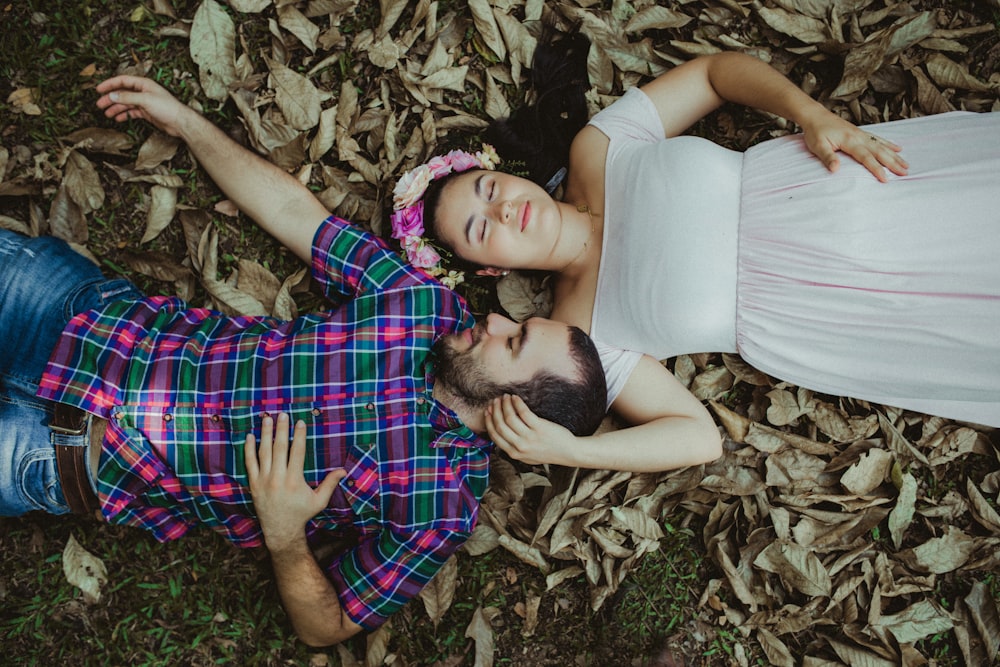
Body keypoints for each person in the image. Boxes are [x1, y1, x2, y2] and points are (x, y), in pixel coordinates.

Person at [0, 75, 611, 647]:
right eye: (516, 321)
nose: (494, 319)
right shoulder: (425, 305)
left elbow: (328, 626)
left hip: (54, 455)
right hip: (71, 317)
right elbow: (300, 218)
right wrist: (186, 121)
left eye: (513, 342)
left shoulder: (438, 506)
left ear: (518, 416)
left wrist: (285, 531)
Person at [390, 35, 1000, 440]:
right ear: (488, 270)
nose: (503, 212)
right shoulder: (580, 330)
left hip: (825, 192)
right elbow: (693, 435)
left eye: (491, 190)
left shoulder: (598, 149)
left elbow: (713, 74)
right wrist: (573, 453)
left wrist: (812, 115)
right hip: (830, 309)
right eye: (479, 229)